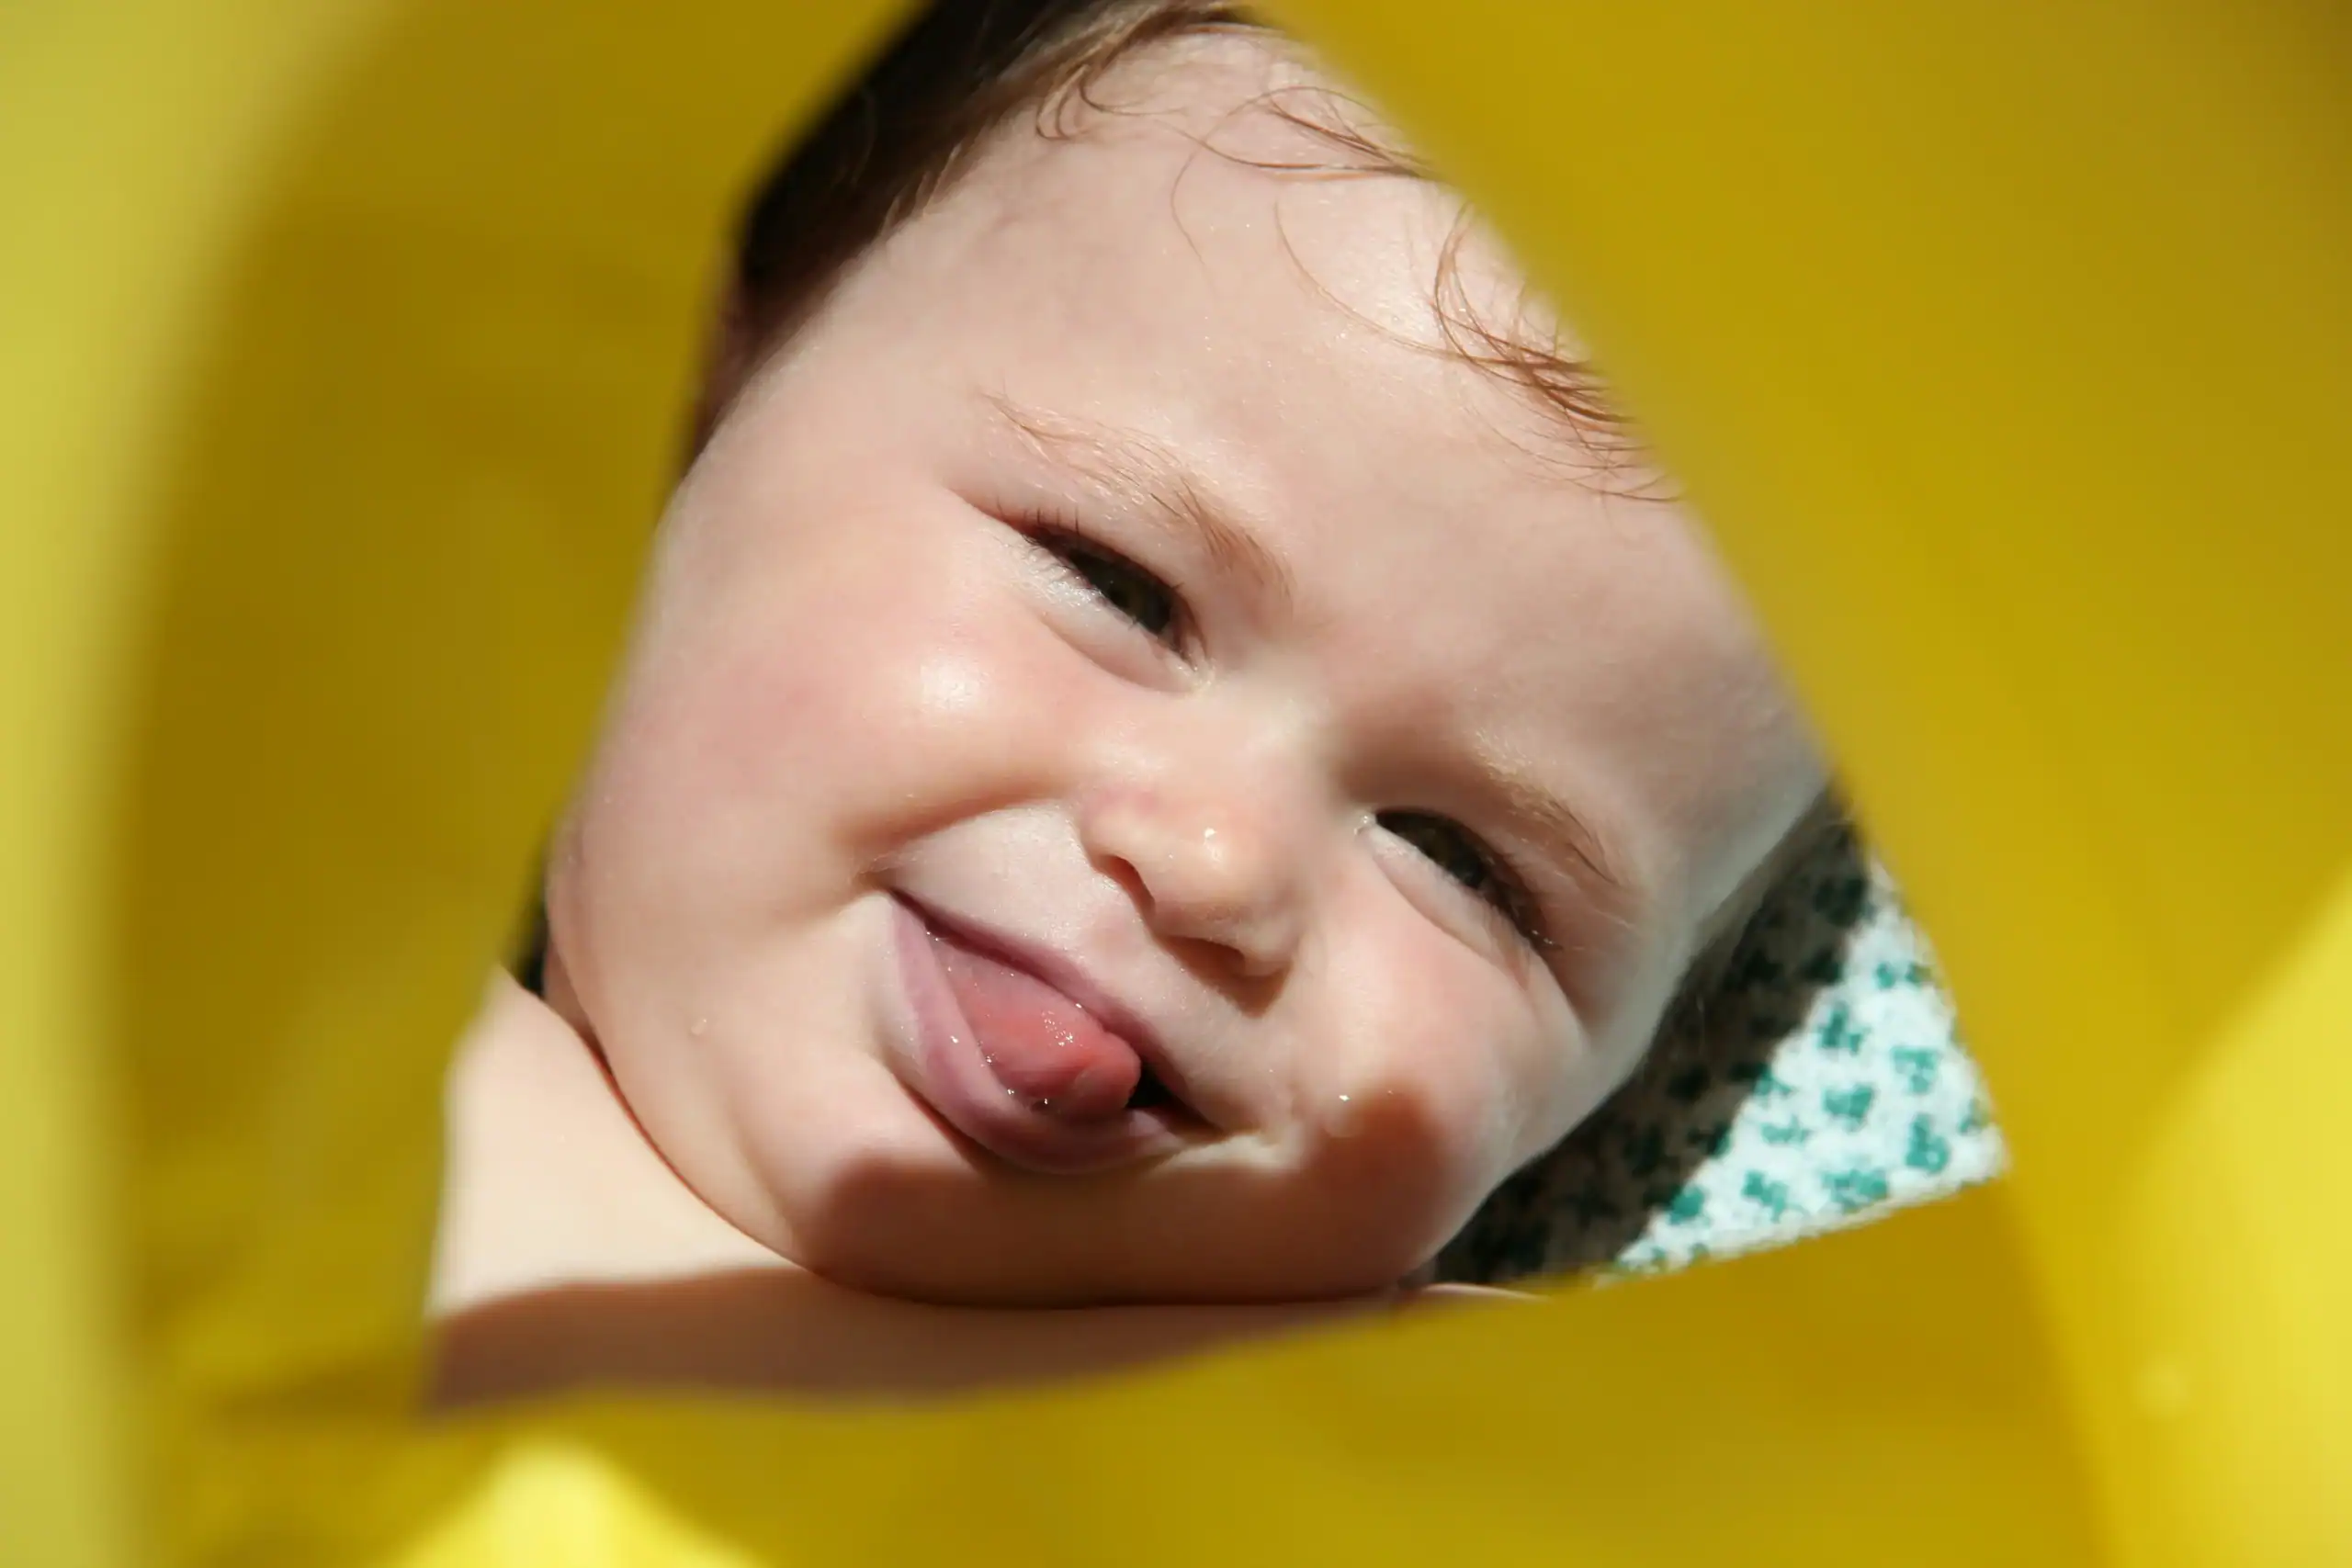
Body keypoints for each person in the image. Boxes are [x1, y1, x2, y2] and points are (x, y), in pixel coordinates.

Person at [429, 0, 1826, 1406]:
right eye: (1117, 586)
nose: (1217, 862)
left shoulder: (1493, 1474)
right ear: (689, 386)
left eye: (1462, 863)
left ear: (1609, 1097)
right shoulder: (257, 944)